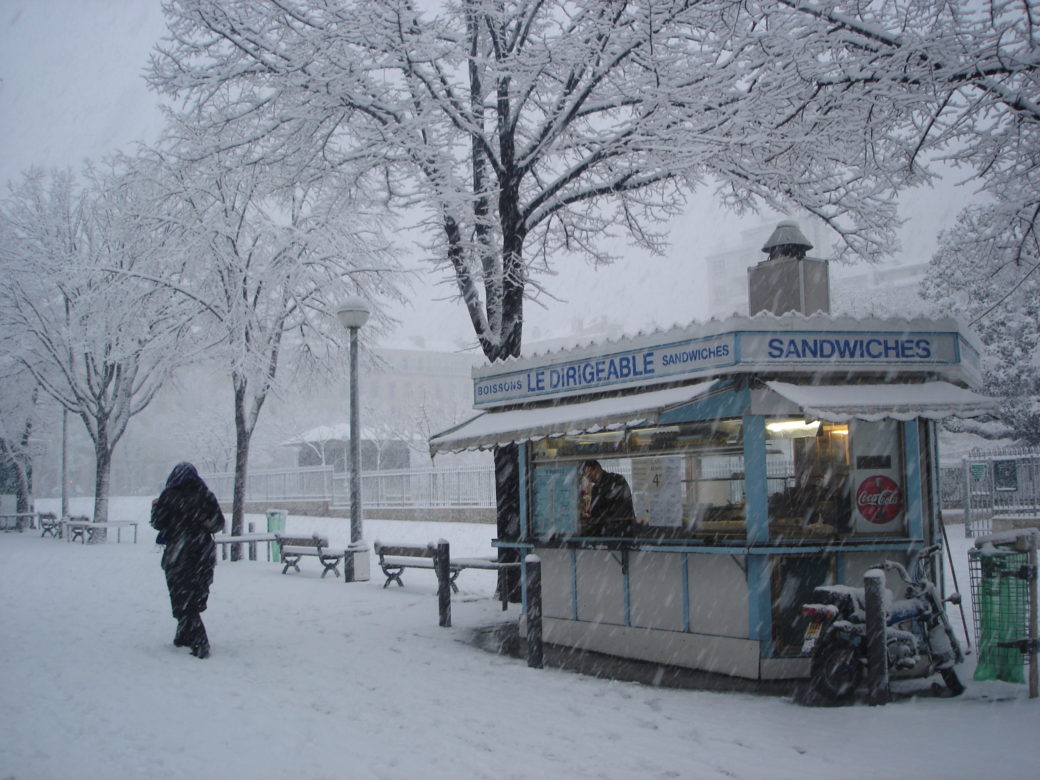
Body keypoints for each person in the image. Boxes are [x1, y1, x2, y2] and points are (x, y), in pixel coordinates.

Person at [150, 462, 225, 659]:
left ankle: (200, 642)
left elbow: (158, 523)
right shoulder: (205, 495)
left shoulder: (169, 496)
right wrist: (200, 521)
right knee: (195, 596)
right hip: (203, 554)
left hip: (179, 554)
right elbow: (218, 524)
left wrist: (156, 508)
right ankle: (183, 635)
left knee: (182, 598)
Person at [580, 459, 637, 537]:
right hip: (608, 530)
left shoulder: (616, 480)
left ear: (597, 469)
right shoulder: (596, 488)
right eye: (587, 477)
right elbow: (596, 512)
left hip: (619, 530)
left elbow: (620, 507)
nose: (589, 479)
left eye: (589, 475)